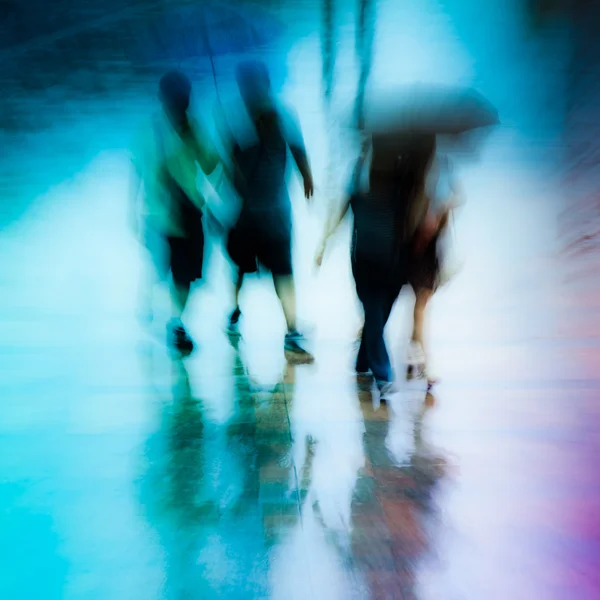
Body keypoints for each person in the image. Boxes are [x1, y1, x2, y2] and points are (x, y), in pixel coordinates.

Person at [316, 133, 437, 401]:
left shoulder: (403, 176)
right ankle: (383, 375)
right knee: (374, 312)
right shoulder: (361, 172)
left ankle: (361, 362)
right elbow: (343, 207)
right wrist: (325, 242)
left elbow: (419, 207)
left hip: (391, 258)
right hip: (370, 257)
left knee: (378, 314)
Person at [221, 60, 315, 363]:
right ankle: (291, 329)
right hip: (274, 214)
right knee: (282, 271)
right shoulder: (282, 115)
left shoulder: (233, 118)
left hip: (247, 212)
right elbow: (299, 153)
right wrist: (307, 181)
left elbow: (228, 168)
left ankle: (235, 311)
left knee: (242, 266)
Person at [130, 70, 228, 354]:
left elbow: (211, 166)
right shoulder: (161, 131)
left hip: (177, 214)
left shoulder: (189, 130)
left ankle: (175, 321)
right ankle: (173, 319)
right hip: (163, 216)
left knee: (181, 273)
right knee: (172, 271)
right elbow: (214, 169)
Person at [406, 153, 463, 384]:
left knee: (421, 305)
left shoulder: (440, 163)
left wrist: (442, 209)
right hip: (419, 249)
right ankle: (424, 363)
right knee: (421, 307)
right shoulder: (428, 163)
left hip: (429, 250)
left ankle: (414, 357)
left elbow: (457, 197)